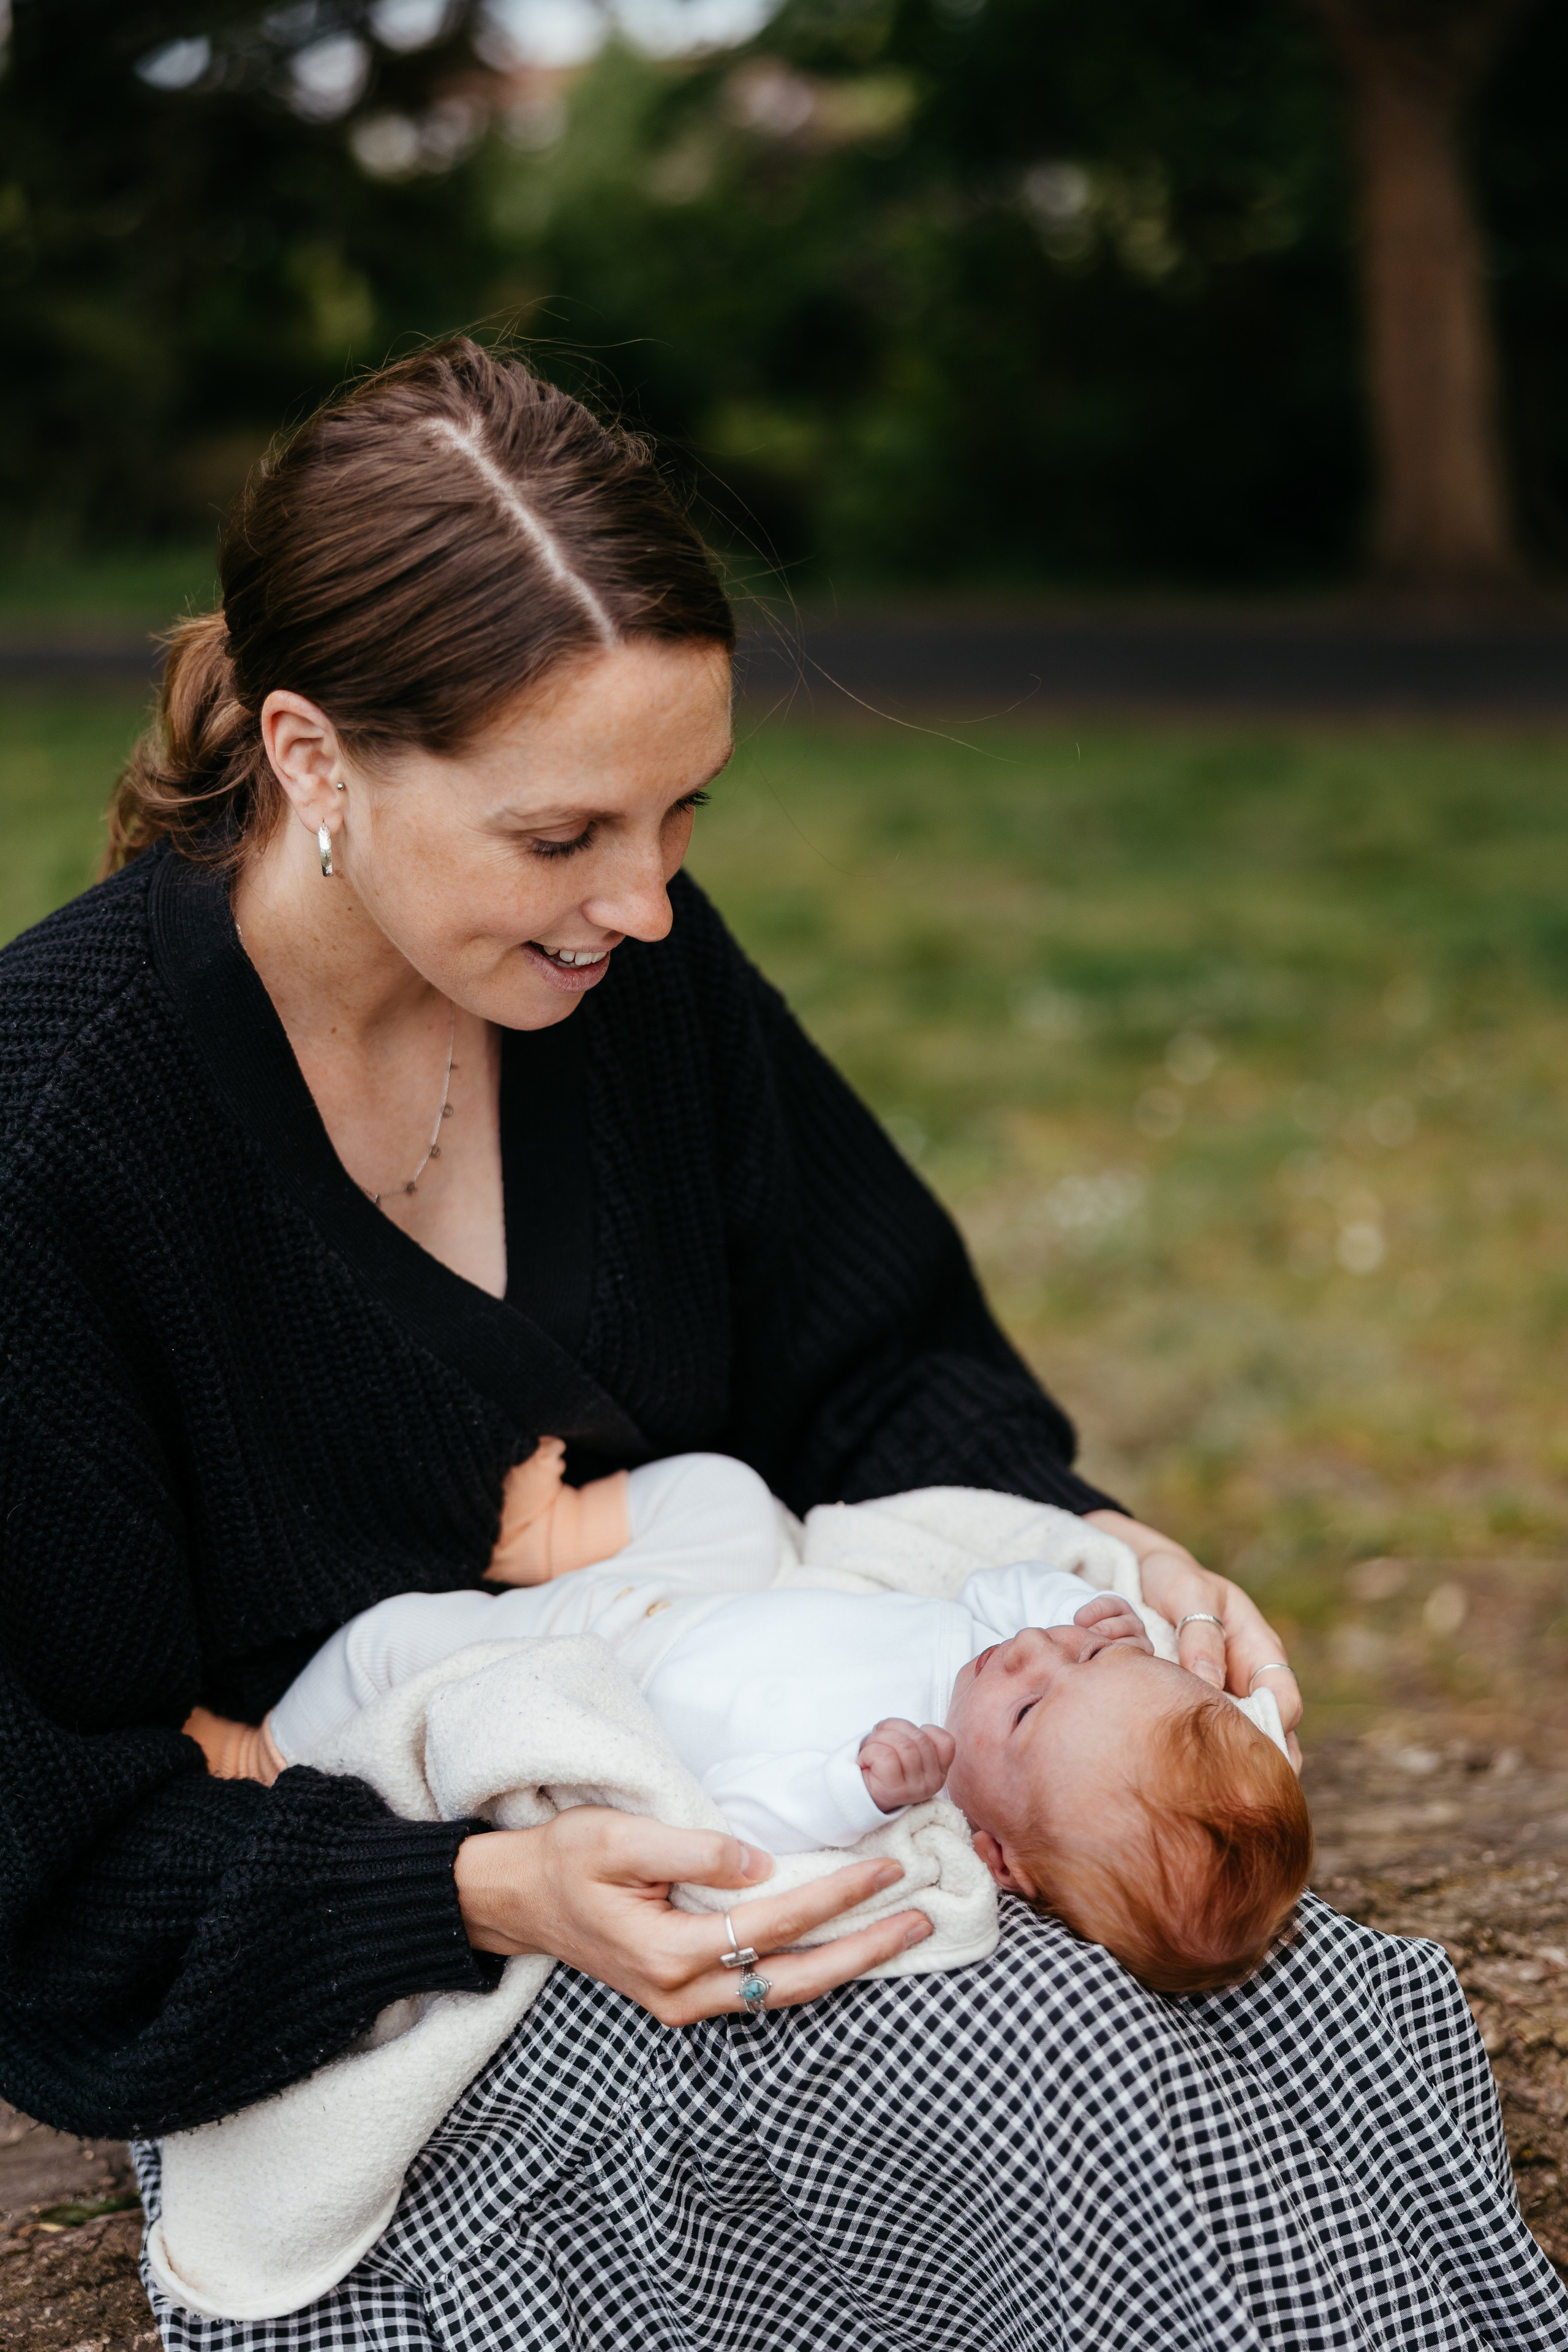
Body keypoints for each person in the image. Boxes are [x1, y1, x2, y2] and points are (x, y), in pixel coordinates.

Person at [3, 340, 1559, 2350]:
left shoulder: (627, 979)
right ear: (312, 760)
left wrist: (1097, 1558)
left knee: (1316, 2004)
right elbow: (65, 1879)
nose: (647, 903)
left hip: (788, 1806)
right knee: (1054, 2075)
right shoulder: (57, 1153)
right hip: (376, 1960)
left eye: (685, 813)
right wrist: (492, 1891)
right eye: (564, 835)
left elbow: (887, 1368)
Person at [205, 1448, 1310, 1997]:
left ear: (998, 1856)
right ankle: (558, 1530)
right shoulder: (998, 1657)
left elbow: (729, 1831)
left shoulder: (886, 1814)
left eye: (1029, 1704)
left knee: (396, 1641)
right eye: (1091, 1658)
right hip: (721, 1588)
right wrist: (1081, 1610)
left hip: (603, 1661)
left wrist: (848, 1786)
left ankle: (263, 1752)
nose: (1031, 1655)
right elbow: (999, 1591)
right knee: (726, 1491)